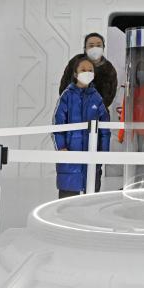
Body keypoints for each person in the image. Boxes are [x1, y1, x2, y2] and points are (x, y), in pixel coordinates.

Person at [53, 57, 111, 198]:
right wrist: (61, 148)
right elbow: (57, 124)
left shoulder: (97, 98)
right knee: (67, 200)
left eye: (90, 70)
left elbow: (105, 130)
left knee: (90, 198)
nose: (87, 73)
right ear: (75, 74)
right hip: (70, 157)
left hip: (92, 157)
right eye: (83, 70)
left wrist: (103, 153)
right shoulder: (67, 96)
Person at [59, 33, 118, 110]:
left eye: (98, 45)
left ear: (103, 48)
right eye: (91, 45)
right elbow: (64, 86)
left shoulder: (109, 69)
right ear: (85, 48)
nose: (95, 48)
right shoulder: (75, 62)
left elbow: (109, 97)